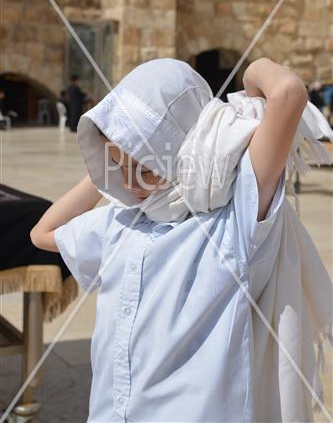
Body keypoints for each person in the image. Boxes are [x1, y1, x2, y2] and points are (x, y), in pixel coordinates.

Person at [30, 58, 333, 422]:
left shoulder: (234, 221)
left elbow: (287, 93)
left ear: (186, 149)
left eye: (145, 167)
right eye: (117, 167)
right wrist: (108, 167)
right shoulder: (122, 222)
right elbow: (42, 233)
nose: (129, 185)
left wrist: (249, 89)